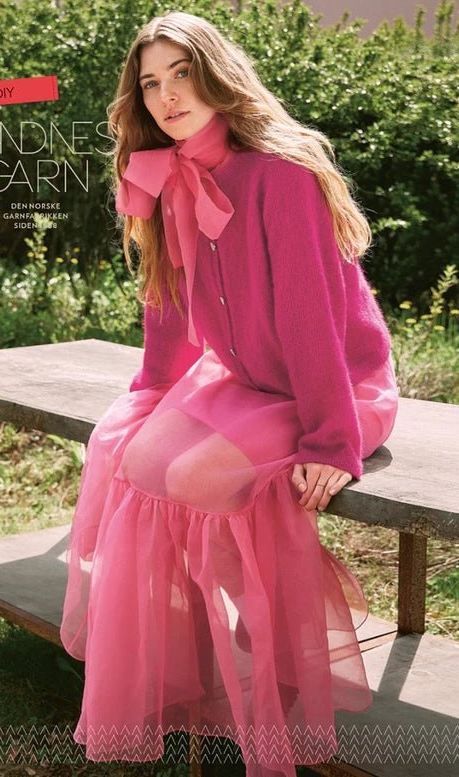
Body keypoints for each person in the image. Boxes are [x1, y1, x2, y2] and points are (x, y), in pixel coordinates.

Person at [60, 10, 398, 777]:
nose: (167, 95)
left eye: (181, 74)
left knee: (196, 478)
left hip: (332, 387)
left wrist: (330, 441)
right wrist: (153, 389)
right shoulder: (164, 173)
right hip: (242, 379)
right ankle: (194, 660)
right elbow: (166, 297)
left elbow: (312, 318)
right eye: (151, 83)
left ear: (216, 74)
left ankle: (288, 646)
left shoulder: (279, 174)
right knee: (131, 459)